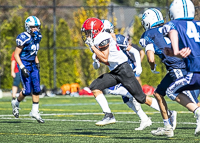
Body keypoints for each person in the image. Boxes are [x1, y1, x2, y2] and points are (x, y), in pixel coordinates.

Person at [81, 17, 172, 127]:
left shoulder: (103, 37)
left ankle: (169, 113)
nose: (86, 35)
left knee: (142, 98)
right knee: (95, 86)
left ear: (95, 31)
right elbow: (102, 59)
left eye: (88, 32)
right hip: (115, 71)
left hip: (124, 70)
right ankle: (109, 115)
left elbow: (105, 58)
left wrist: (92, 47)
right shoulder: (98, 39)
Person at [140, 8, 200, 137]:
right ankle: (167, 126)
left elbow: (150, 58)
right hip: (185, 63)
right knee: (158, 93)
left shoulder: (149, 34)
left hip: (178, 67)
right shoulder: (170, 27)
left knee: (191, 101)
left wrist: (152, 67)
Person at [11, 16, 44, 123]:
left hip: (33, 64)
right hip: (24, 63)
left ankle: (35, 112)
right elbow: (16, 55)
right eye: (33, 27)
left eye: (36, 26)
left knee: (37, 89)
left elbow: (34, 52)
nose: (35, 29)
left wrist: (37, 61)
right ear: (28, 27)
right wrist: (22, 67)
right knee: (27, 90)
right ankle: (15, 103)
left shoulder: (37, 36)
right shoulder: (23, 37)